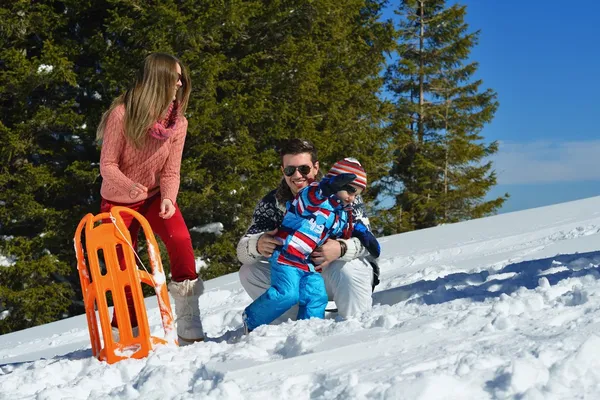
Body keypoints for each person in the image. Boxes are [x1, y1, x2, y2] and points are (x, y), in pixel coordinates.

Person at [96, 52, 204, 345]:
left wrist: (169, 197)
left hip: (155, 197)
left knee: (180, 239)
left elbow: (172, 171)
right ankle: (126, 326)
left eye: (181, 78)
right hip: (119, 200)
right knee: (125, 262)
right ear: (157, 80)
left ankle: (188, 317)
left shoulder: (177, 123)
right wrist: (130, 188)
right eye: (174, 78)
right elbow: (107, 166)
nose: (180, 83)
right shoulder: (122, 114)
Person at [236, 139, 380, 323]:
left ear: (315, 167)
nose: (297, 175)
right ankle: (295, 324)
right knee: (249, 271)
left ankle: (354, 324)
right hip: (295, 273)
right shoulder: (272, 203)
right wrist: (256, 244)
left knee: (347, 266)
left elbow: (369, 244)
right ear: (283, 171)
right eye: (290, 170)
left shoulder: (342, 193)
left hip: (334, 274)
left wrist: (341, 248)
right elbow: (242, 251)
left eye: (304, 169)